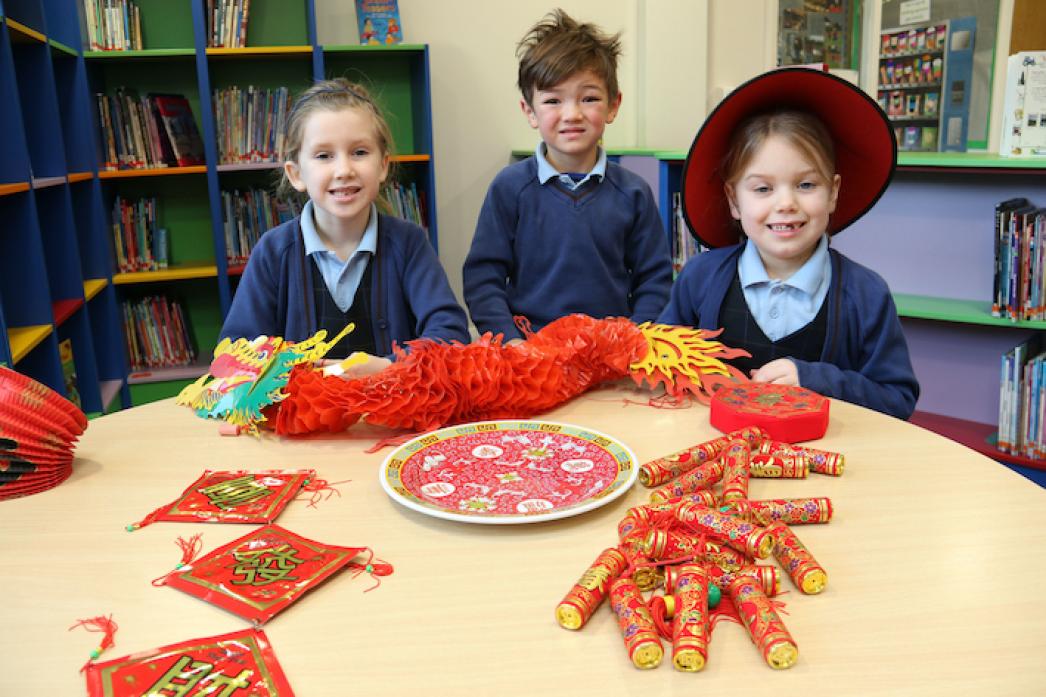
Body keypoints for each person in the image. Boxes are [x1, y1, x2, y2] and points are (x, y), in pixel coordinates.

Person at [659, 68, 919, 419]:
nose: (785, 204)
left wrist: (817, 381)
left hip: (825, 465)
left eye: (806, 185)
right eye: (763, 189)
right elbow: (662, 361)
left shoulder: (866, 295)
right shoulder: (700, 278)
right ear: (734, 201)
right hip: (716, 456)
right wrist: (690, 374)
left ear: (833, 193)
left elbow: (897, 399)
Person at [220, 79, 470, 376]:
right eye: (324, 156)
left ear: (383, 165)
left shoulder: (409, 243)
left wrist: (390, 367)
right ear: (296, 174)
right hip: (303, 419)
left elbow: (451, 336)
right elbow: (237, 353)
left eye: (360, 152)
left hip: (392, 415)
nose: (344, 170)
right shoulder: (273, 251)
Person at [463, 9, 672, 342]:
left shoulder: (633, 192)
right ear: (529, 111)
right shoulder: (510, 188)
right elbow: (483, 278)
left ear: (613, 105)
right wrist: (509, 340)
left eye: (589, 98)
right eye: (553, 101)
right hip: (529, 351)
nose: (572, 114)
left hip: (609, 353)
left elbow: (655, 281)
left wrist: (633, 338)